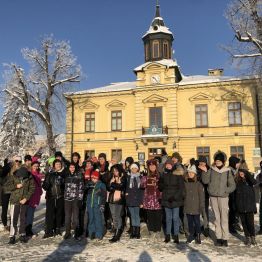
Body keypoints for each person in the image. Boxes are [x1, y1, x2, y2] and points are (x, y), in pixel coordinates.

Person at [199, 151, 236, 247]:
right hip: (213, 196)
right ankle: (219, 238)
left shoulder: (227, 171)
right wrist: (205, 171)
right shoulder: (211, 170)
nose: (217, 162)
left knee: (224, 218)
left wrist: (226, 191)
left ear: (223, 161)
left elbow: (232, 185)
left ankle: (225, 238)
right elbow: (205, 181)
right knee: (217, 218)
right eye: (216, 160)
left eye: (219, 160)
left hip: (223, 197)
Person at [5, 166, 35, 244]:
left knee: (23, 219)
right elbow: (6, 187)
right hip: (14, 201)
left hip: (24, 201)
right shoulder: (13, 177)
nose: (22, 177)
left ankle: (22, 234)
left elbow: (32, 189)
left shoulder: (30, 178)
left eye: (24, 177)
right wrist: (16, 186)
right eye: (20, 176)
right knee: (13, 219)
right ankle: (12, 236)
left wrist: (26, 198)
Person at [159, 158, 185, 244]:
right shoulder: (163, 174)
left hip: (175, 200)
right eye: (167, 164)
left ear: (172, 165)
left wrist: (175, 197)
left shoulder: (178, 174)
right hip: (166, 199)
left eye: (170, 164)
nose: (168, 166)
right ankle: (167, 235)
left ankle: (176, 235)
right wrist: (161, 184)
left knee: (175, 218)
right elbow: (160, 187)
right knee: (168, 218)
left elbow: (181, 188)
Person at [42, 159, 66, 238]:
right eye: (57, 164)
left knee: (59, 213)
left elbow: (66, 185)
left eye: (59, 164)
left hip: (60, 196)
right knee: (50, 214)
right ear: (54, 166)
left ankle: (57, 229)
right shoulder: (49, 174)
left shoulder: (63, 174)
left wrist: (62, 182)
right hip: (50, 196)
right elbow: (45, 186)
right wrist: (46, 184)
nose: (58, 166)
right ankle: (49, 230)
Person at [141, 159, 162, 239]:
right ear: (148, 167)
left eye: (154, 165)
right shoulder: (146, 176)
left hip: (158, 198)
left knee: (158, 216)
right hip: (149, 199)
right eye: (150, 165)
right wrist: (144, 177)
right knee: (150, 216)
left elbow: (162, 186)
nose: (152, 167)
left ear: (156, 166)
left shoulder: (159, 175)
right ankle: (152, 231)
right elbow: (142, 185)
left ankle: (158, 231)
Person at [235, 169, 257, 246]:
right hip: (241, 206)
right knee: (244, 223)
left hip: (249, 206)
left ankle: (252, 237)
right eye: (240, 172)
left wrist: (247, 174)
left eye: (243, 172)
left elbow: (255, 182)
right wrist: (236, 206)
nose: (241, 173)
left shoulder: (250, 181)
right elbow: (235, 196)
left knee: (250, 223)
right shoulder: (237, 182)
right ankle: (247, 237)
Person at [184, 165, 205, 244]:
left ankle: (198, 235)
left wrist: (201, 206)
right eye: (189, 173)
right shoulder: (185, 183)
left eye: (192, 173)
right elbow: (184, 194)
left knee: (197, 222)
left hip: (196, 206)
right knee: (190, 222)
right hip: (188, 206)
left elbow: (201, 196)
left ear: (195, 174)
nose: (190, 174)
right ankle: (191, 235)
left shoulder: (198, 184)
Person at [64, 162, 84, 240]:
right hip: (67, 199)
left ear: (75, 168)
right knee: (67, 217)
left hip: (75, 199)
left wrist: (80, 199)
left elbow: (81, 188)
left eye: (73, 167)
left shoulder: (79, 176)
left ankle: (76, 233)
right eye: (70, 167)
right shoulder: (66, 175)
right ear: (69, 168)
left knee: (75, 217)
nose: (72, 169)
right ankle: (67, 232)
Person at [1, 156, 21, 232]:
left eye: (19, 161)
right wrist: (3, 184)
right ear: (13, 161)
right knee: (5, 208)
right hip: (6, 190)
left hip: (14, 190)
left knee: (13, 208)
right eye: (16, 161)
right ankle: (5, 224)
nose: (18, 162)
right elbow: (1, 175)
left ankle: (13, 224)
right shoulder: (8, 166)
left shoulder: (19, 168)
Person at [108, 164, 126, 242]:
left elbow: (121, 187)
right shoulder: (112, 178)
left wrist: (113, 185)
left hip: (119, 200)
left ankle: (117, 234)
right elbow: (109, 188)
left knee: (117, 216)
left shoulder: (123, 178)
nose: (115, 172)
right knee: (113, 216)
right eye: (114, 171)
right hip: (111, 200)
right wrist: (113, 185)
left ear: (119, 171)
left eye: (116, 171)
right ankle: (115, 231)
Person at [86, 170, 107, 240]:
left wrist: (102, 205)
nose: (93, 179)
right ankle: (92, 233)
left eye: (95, 178)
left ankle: (99, 234)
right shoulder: (90, 184)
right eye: (92, 178)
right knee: (91, 219)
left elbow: (104, 196)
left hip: (97, 205)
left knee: (98, 219)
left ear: (98, 178)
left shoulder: (101, 185)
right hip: (90, 205)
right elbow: (87, 194)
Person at [125, 163, 144, 239]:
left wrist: (141, 201)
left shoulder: (140, 178)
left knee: (137, 216)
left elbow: (142, 190)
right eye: (132, 168)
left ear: (138, 169)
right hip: (130, 199)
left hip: (137, 200)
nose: (134, 170)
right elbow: (127, 188)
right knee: (132, 216)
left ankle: (137, 232)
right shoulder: (128, 178)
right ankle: (133, 232)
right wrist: (126, 196)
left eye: (135, 168)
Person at [26, 161, 43, 237]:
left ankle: (29, 229)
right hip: (30, 196)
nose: (36, 167)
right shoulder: (29, 173)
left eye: (37, 166)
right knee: (29, 214)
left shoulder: (39, 174)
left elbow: (39, 185)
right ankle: (27, 230)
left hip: (36, 196)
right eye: (34, 166)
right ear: (31, 166)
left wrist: (40, 191)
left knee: (31, 214)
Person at [197, 156, 210, 237]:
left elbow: (208, 181)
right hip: (197, 194)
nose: (202, 163)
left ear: (206, 163)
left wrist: (204, 172)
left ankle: (206, 227)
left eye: (203, 162)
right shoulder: (196, 170)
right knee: (197, 211)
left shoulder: (208, 170)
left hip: (205, 194)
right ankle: (198, 227)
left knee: (205, 212)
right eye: (200, 162)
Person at [228, 156, 241, 234]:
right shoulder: (229, 170)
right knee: (232, 209)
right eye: (237, 163)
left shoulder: (236, 170)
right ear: (233, 163)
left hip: (237, 192)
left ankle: (236, 223)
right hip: (231, 193)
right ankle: (231, 226)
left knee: (237, 208)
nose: (239, 164)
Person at [256, 160, 262, 235]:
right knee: (261, 212)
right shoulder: (259, 175)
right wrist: (259, 184)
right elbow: (256, 184)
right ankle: (261, 228)